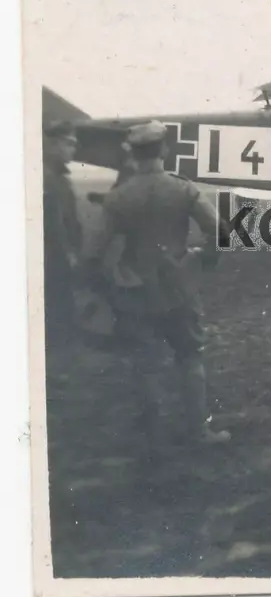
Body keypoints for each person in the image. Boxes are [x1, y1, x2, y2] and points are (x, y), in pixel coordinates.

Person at [83, 120, 231, 455]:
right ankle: (198, 431)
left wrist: (105, 287)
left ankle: (154, 438)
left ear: (132, 155)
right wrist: (202, 260)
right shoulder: (183, 189)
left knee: (144, 363)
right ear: (164, 150)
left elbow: (92, 253)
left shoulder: (119, 197)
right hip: (179, 287)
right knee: (190, 356)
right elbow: (220, 233)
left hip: (135, 290)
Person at [42, 120, 82, 349]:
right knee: (56, 311)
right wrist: (69, 255)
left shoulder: (59, 177)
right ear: (53, 144)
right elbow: (55, 224)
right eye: (68, 144)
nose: (73, 149)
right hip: (53, 259)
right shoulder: (47, 177)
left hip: (59, 259)